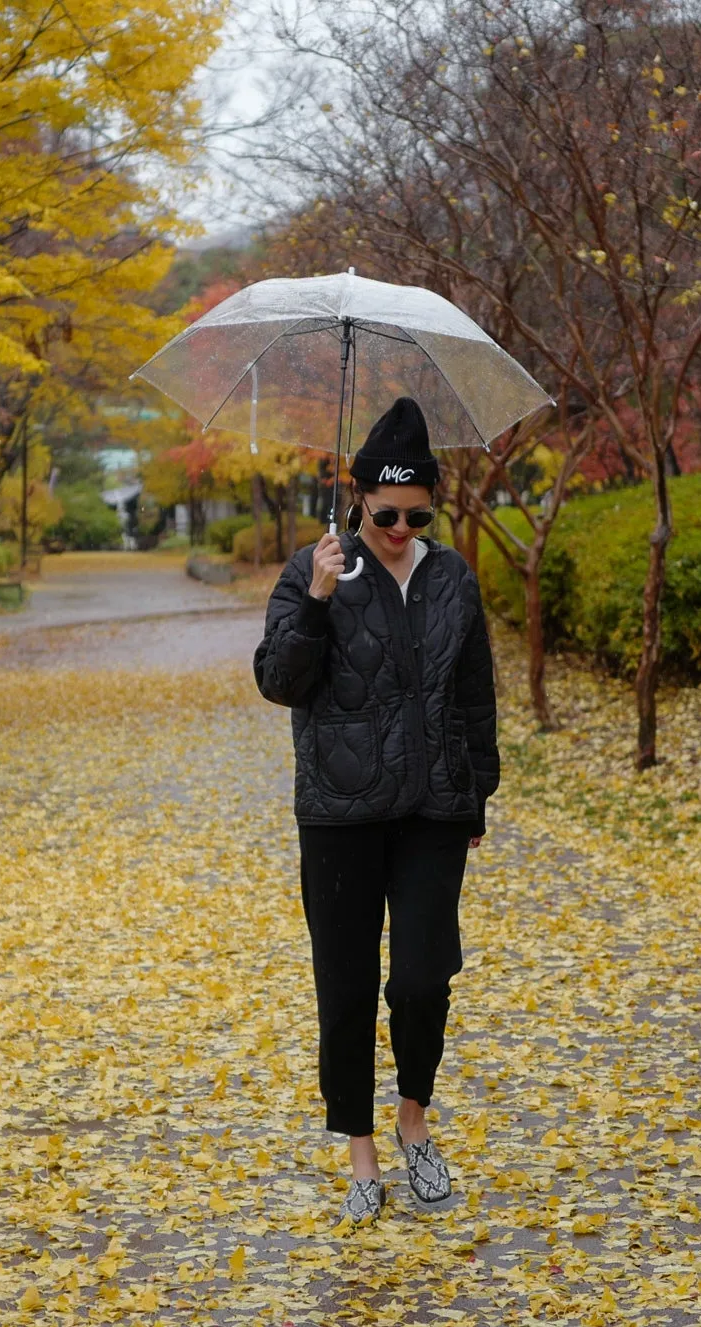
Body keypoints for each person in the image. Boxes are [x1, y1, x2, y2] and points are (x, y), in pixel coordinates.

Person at [253, 396, 501, 1225]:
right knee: (347, 987)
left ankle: (413, 1120)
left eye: (418, 514)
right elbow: (278, 682)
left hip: (432, 808)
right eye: (386, 513)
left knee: (425, 977)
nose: (400, 529)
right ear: (356, 497)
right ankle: (360, 1150)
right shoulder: (312, 569)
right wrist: (319, 598)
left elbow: (474, 695)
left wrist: (478, 788)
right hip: (339, 813)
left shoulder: (452, 577)